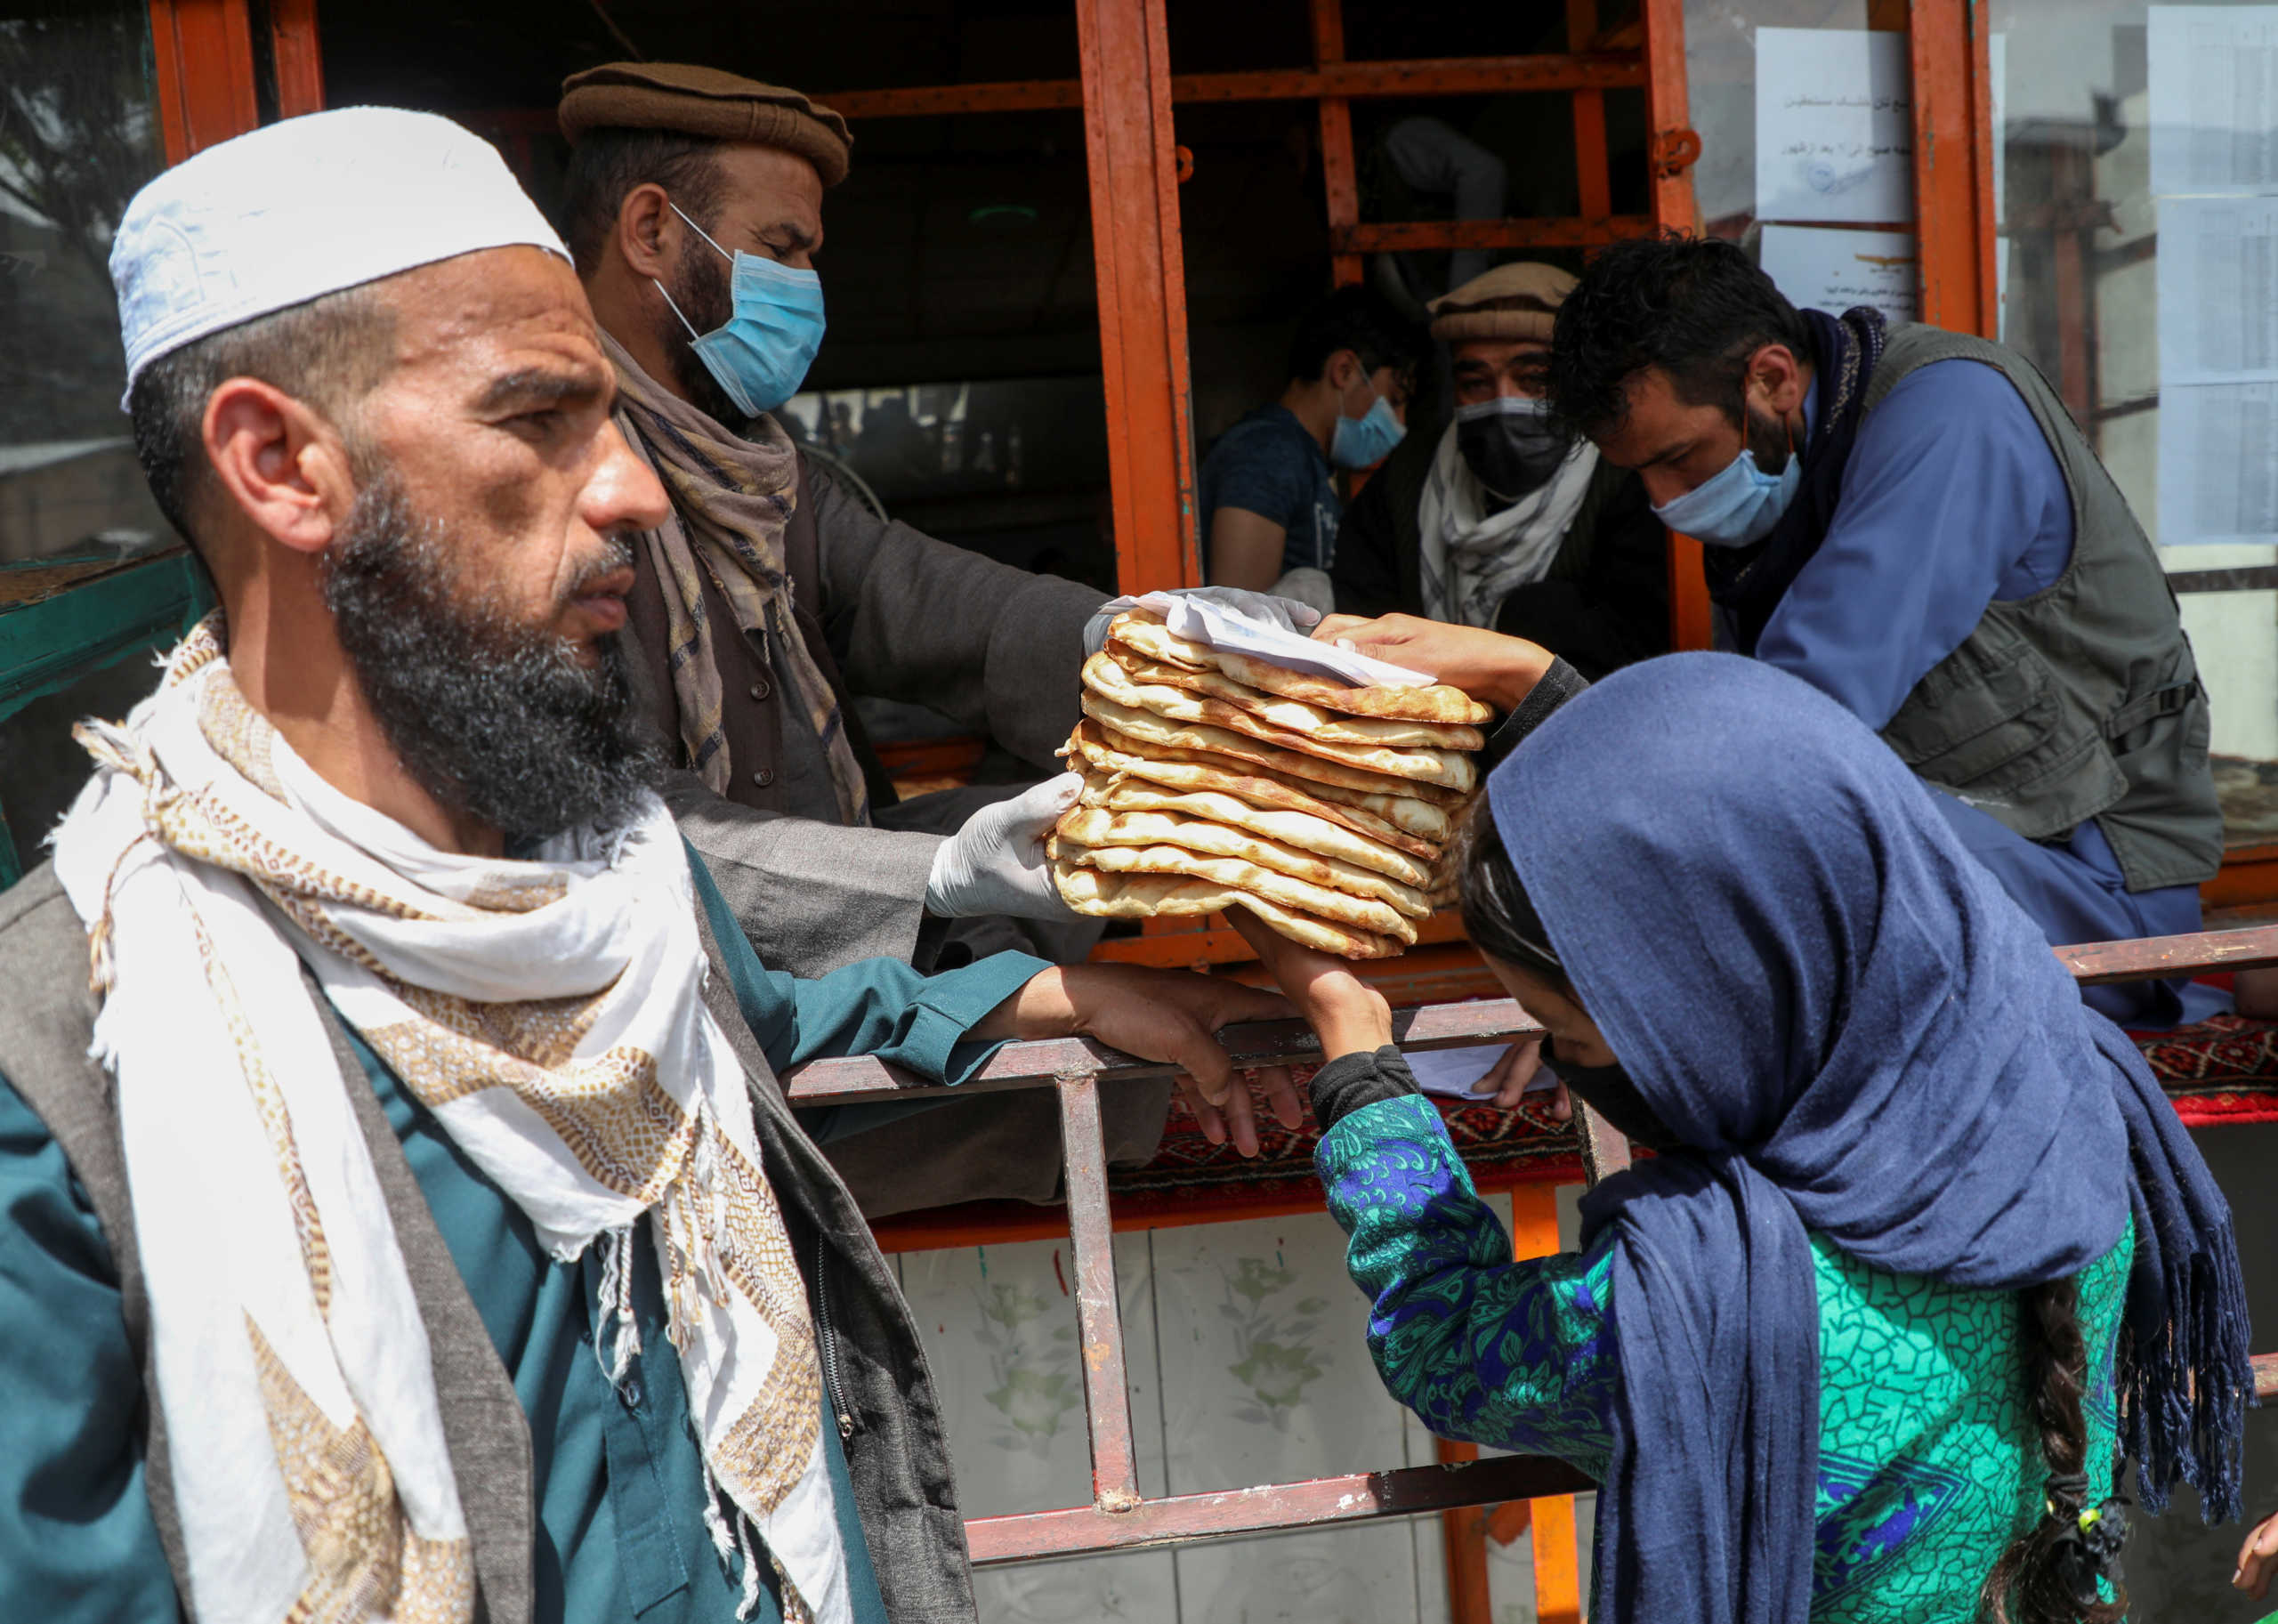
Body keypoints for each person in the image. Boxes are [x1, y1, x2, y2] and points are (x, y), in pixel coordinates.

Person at [0, 107, 1310, 1624]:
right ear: (281, 463)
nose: (627, 489)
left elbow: (793, 1004)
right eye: (540, 420)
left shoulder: (612, 890)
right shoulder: (63, 1073)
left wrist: (1081, 995)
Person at [1234, 650, 2250, 1623]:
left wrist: (1357, 1052)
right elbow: (1760, 814)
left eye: (1574, 1036)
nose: (1553, 1061)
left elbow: (1443, 1339)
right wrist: (1548, 693)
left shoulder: (1705, 1293)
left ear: (1712, 1019)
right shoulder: (2062, 1080)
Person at [556, 63, 1319, 1210]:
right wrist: (936, 877)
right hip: (678, 992)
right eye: (786, 247)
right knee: (1030, 976)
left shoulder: (776, 482)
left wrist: (1153, 643)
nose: (811, 285)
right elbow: (643, 847)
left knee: (1064, 825)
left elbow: (946, 608)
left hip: (828, 926)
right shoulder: (552, 498)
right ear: (652, 232)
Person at [1544, 233, 2223, 1029]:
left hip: (2096, 896)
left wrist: (1533, 687)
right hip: (1961, 859)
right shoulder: (1798, 463)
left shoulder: (1952, 410)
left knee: (1779, 832)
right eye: (1642, 475)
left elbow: (1791, 730)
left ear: (1770, 378)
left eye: (1681, 457)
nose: (1665, 500)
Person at [1329, 263, 1669, 679]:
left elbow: (1643, 647)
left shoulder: (1625, 476)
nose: (1504, 401)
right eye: (1476, 383)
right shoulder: (1409, 476)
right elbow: (1361, 622)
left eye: (1533, 379)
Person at [1196, 282, 1426, 598]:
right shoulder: (1267, 454)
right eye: (1395, 399)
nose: (1399, 422)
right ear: (1344, 371)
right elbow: (1236, 620)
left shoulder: (1308, 464)